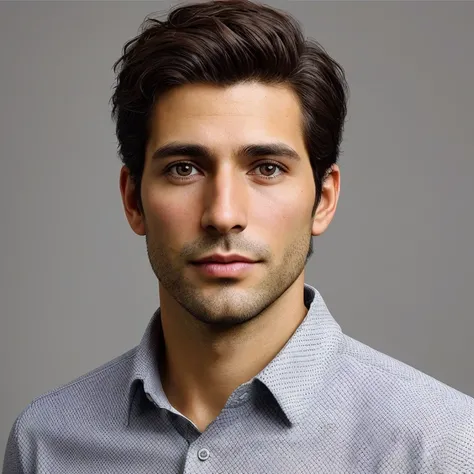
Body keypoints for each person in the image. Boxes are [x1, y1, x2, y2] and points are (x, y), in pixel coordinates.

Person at [3, 0, 474, 472]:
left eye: (267, 168)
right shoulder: (45, 443)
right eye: (184, 169)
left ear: (324, 199)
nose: (223, 214)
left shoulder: (438, 446)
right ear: (133, 200)